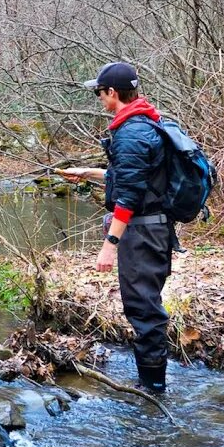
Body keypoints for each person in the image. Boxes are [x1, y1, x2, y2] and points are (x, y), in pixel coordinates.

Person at [59, 61, 173, 394]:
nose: (98, 98)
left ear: (113, 92)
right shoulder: (145, 122)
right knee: (144, 303)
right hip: (151, 228)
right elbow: (134, 177)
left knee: (143, 307)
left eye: (99, 92)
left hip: (143, 232)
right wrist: (88, 172)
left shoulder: (132, 132)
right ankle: (152, 380)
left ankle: (152, 387)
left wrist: (109, 244)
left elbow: (130, 195)